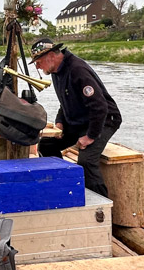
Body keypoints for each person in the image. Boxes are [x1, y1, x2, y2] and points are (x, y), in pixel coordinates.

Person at [29, 38, 122, 197]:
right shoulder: (56, 71)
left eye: (39, 61)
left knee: (86, 161)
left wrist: (90, 136)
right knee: (47, 144)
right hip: (79, 120)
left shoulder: (77, 69)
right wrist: (60, 122)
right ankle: (62, 185)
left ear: (51, 55)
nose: (37, 66)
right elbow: (65, 101)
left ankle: (101, 206)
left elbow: (99, 106)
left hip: (104, 119)